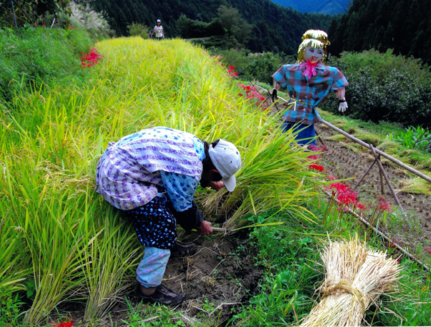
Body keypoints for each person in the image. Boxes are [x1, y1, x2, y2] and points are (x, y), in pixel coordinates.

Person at [95, 126, 242, 306]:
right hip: (119, 179)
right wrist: (199, 223)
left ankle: (169, 247)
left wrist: (208, 182)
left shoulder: (195, 146)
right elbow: (183, 208)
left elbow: (179, 183)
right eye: (218, 178)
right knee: (161, 227)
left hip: (120, 162)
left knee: (165, 200)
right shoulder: (189, 170)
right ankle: (148, 290)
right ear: (214, 172)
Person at [272, 29, 348, 147]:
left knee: (305, 141)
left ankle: (303, 158)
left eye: (319, 51)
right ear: (303, 51)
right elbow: (280, 74)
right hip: (294, 108)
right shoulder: (292, 69)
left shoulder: (326, 72)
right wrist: (275, 90)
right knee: (285, 140)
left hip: (308, 113)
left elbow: (337, 79)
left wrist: (342, 99)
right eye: (311, 50)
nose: (315, 54)